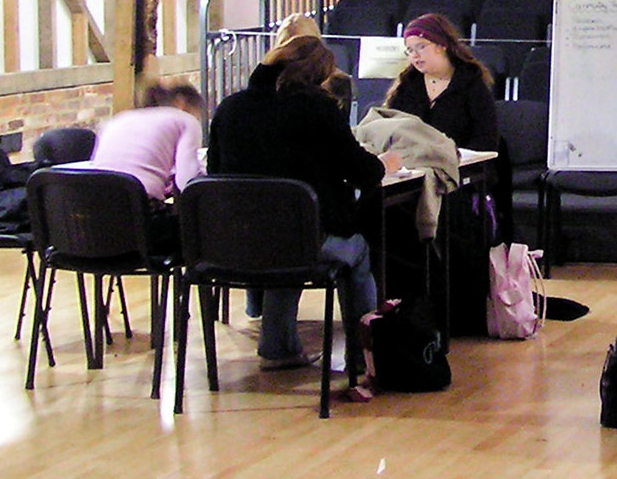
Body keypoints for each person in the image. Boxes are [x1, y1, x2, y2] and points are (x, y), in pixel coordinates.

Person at [207, 34, 392, 375]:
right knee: (356, 251)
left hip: (233, 241)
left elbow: (215, 173)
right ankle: (363, 357)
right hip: (303, 238)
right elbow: (362, 170)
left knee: (281, 241)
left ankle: (278, 347)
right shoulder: (316, 108)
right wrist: (384, 164)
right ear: (319, 73)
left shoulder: (230, 107)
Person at [83, 80, 206, 251]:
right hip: (141, 223)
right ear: (182, 103)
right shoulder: (185, 120)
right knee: (198, 231)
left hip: (92, 224)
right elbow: (188, 181)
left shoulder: (119, 119)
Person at [386, 13, 499, 152]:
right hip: (414, 165)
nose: (415, 55)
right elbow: (390, 131)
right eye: (409, 50)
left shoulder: (470, 82)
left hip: (462, 165)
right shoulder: (407, 84)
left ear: (441, 45)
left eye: (421, 47)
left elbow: (486, 139)